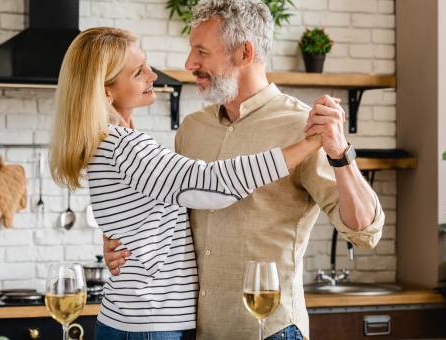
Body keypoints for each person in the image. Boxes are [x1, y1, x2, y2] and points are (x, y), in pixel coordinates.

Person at [103, 1, 386, 339]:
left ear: (244, 53)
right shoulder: (192, 129)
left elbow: (365, 232)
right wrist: (120, 243)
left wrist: (340, 153)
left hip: (269, 330)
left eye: (201, 52)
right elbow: (169, 218)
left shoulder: (303, 128)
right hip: (198, 330)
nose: (189, 63)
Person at [49, 27, 325, 340]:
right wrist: (307, 145)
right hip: (150, 324)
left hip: (133, 321)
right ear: (107, 91)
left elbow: (138, 219)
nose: (153, 75)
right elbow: (211, 185)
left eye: (147, 64)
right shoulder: (125, 145)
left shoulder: (106, 145)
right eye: (139, 72)